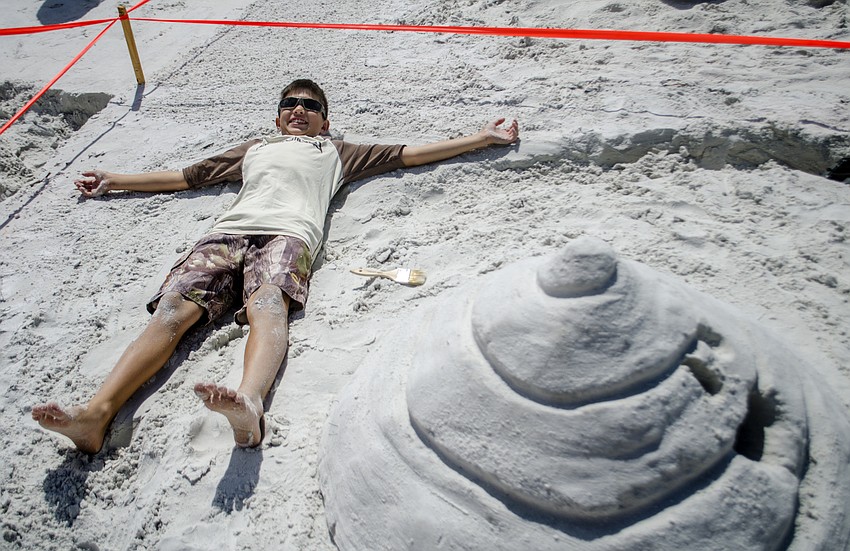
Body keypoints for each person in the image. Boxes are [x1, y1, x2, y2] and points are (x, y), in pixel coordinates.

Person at [31, 78, 520, 454]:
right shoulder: (256, 149)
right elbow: (187, 177)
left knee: (268, 305)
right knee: (172, 312)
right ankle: (96, 414)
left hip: (289, 236)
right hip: (224, 235)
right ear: (280, 115)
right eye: (291, 103)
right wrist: (114, 180)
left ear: (325, 121)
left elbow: (409, 154)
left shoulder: (338, 152)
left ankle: (249, 404)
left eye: (311, 105)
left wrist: (480, 137)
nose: (300, 109)